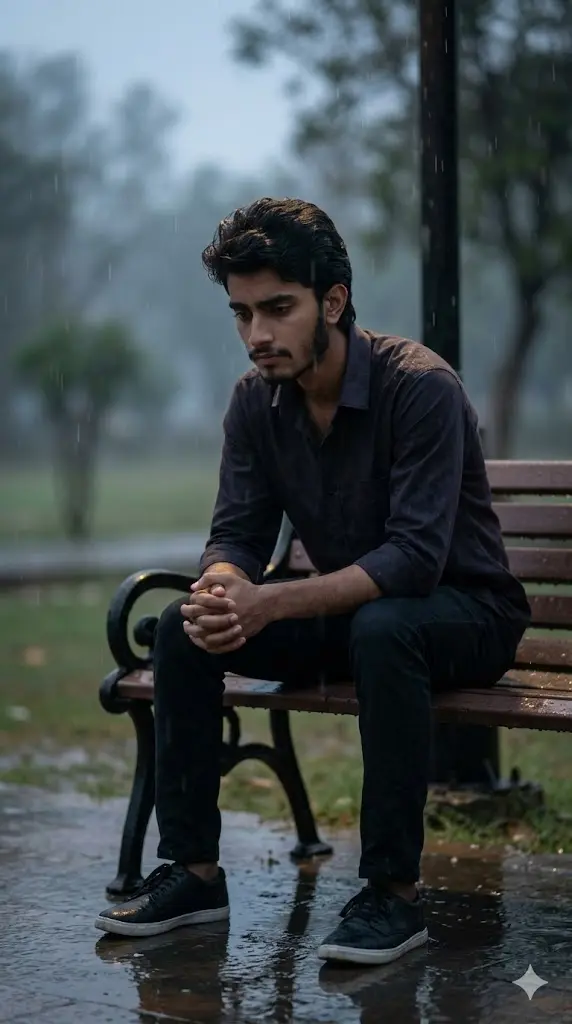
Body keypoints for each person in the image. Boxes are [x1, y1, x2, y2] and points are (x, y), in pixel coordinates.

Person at [95, 198, 531, 965]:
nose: (257, 335)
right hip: (358, 619)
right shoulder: (254, 402)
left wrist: (272, 601)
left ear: (333, 300)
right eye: (241, 314)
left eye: (278, 309)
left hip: (466, 616)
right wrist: (225, 589)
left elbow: (413, 561)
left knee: (388, 624)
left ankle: (393, 895)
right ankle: (195, 873)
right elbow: (236, 533)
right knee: (180, 630)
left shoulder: (418, 386)